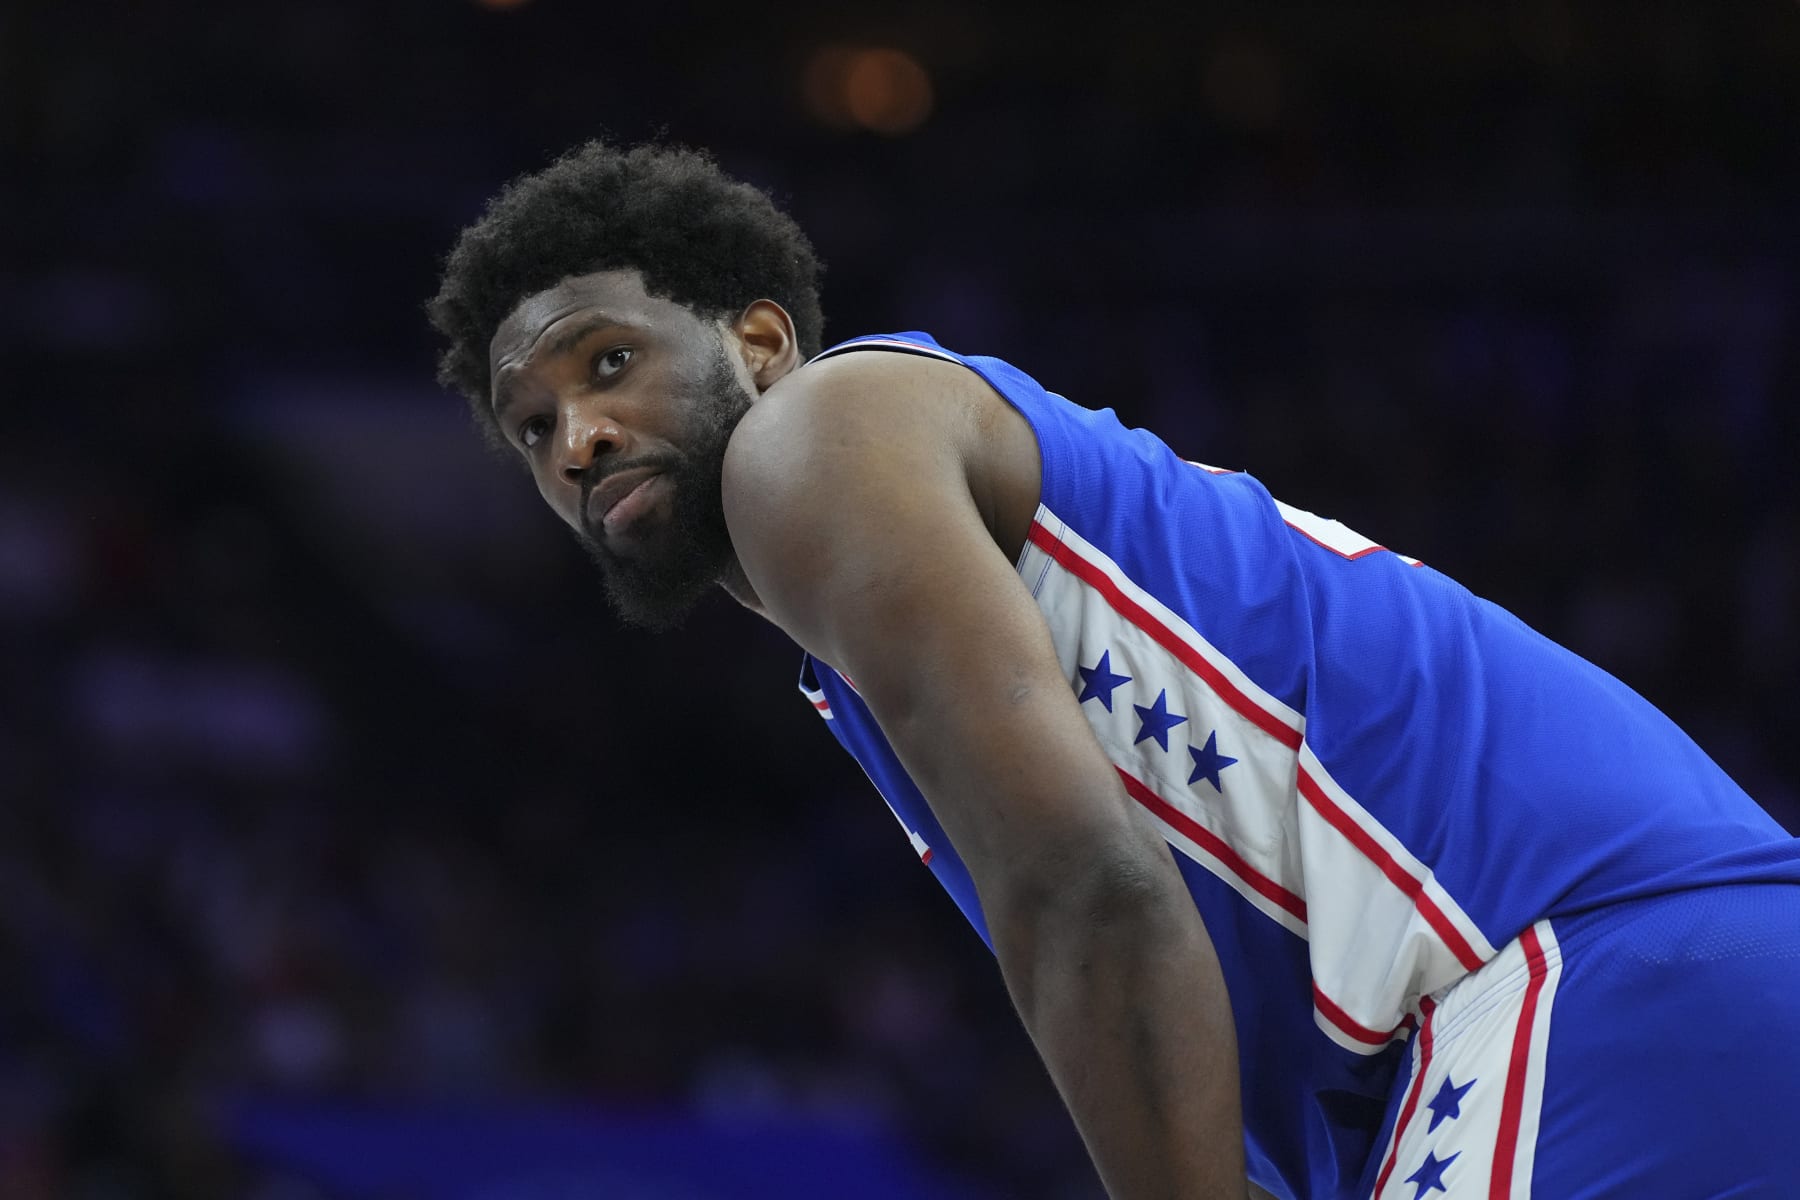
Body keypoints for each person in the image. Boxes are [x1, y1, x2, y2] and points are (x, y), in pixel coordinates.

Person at [427, 141, 1800, 1199]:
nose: (582, 438)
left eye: (611, 365)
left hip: (1583, 973)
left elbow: (1087, 890)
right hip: (1639, 989)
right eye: (533, 423)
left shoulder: (819, 442)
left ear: (761, 341)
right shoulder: (875, 593)